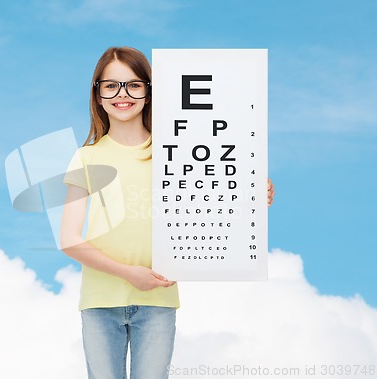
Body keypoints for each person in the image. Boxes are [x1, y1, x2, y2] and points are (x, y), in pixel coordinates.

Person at [60, 46, 275, 379]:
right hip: (100, 301)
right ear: (98, 94)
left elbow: (210, 197)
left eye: (134, 85)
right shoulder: (85, 157)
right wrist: (129, 273)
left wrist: (249, 193)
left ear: (148, 92)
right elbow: (70, 240)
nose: (123, 94)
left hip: (158, 301)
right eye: (111, 85)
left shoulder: (177, 152)